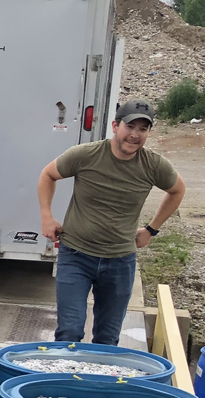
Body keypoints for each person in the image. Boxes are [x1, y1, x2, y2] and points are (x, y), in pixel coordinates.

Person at [38, 99, 187, 345]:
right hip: (76, 256)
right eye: (130, 127)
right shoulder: (86, 155)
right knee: (70, 333)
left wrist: (151, 229)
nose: (135, 135)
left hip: (120, 262)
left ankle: (99, 383)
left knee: (107, 339)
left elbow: (177, 190)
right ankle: (64, 383)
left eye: (143, 129)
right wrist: (47, 216)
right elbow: (48, 175)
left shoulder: (154, 165)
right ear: (115, 126)